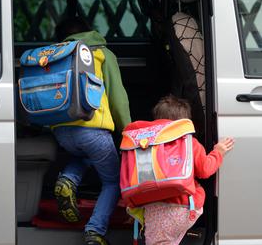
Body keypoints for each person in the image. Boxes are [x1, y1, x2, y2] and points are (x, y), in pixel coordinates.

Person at [52, 17, 131, 245]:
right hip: (93, 130)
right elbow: (118, 99)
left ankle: (68, 178)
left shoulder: (56, 53)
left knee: (85, 155)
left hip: (62, 131)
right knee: (113, 181)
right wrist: (128, 131)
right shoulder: (101, 53)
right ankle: (95, 231)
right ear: (90, 31)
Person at [140, 95, 233, 245]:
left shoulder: (145, 145)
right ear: (185, 123)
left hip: (153, 209)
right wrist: (218, 152)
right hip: (184, 207)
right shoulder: (190, 143)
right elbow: (204, 170)